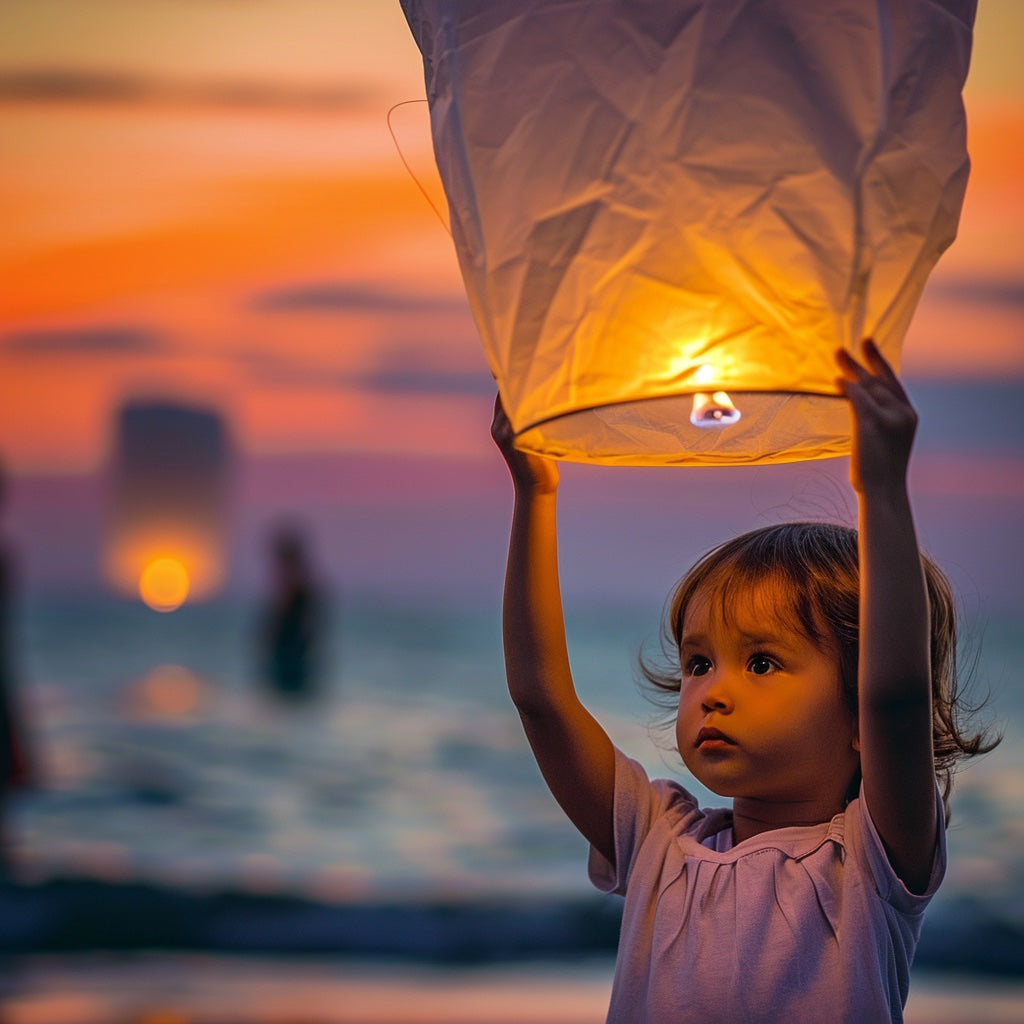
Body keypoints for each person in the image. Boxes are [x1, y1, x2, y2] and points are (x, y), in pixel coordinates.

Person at [490, 339, 997, 1023]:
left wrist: (880, 491)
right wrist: (535, 492)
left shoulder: (871, 856)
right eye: (700, 662)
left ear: (855, 723)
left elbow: (897, 698)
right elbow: (541, 699)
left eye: (762, 663)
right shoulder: (657, 840)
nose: (712, 691)